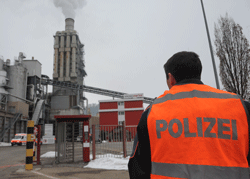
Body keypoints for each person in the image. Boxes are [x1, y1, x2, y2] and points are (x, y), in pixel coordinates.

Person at [128, 51, 250, 179]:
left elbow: (138, 168)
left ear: (171, 78)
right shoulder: (241, 108)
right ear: (198, 74)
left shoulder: (152, 112)